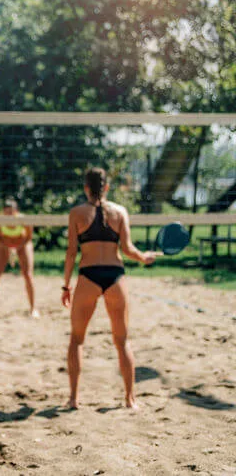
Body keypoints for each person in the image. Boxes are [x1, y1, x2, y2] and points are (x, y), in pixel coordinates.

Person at [61, 167, 156, 410]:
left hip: (88, 276)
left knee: (77, 340)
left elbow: (72, 252)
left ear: (85, 188)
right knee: (122, 341)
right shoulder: (120, 212)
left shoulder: (76, 213)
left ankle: (73, 399)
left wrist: (66, 285)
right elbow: (128, 249)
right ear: (107, 187)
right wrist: (144, 257)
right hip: (115, 277)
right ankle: (129, 399)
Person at [0, 198, 38, 317]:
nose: (9, 215)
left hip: (23, 244)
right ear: (3, 212)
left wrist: (17, 249)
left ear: (16, 211)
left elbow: (28, 238)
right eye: (6, 212)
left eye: (11, 212)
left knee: (27, 275)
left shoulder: (24, 220)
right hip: (4, 244)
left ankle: (33, 309)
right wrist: (9, 249)